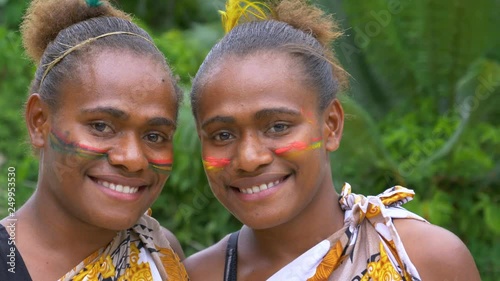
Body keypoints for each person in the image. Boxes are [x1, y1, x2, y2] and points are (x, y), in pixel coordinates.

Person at [184, 0, 481, 280]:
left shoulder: (424, 259)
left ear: (331, 125)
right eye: (223, 135)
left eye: (278, 127)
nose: (249, 158)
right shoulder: (198, 275)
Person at [0, 0, 189, 280]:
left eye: (154, 136)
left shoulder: (160, 252)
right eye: (101, 126)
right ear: (39, 121)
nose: (133, 159)